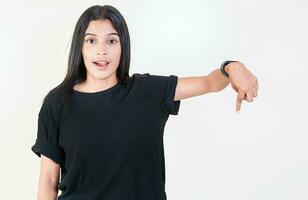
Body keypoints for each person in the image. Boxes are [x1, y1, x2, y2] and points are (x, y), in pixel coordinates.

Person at [31, 4, 259, 200]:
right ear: (79, 48)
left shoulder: (148, 91)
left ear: (123, 47)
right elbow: (48, 181)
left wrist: (231, 67)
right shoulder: (57, 103)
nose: (101, 50)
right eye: (91, 41)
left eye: (112, 41)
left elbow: (210, 83)